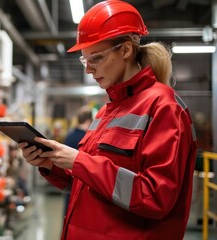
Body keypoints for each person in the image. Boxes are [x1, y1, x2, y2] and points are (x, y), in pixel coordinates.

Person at [18, 1, 197, 239]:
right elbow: (94, 185)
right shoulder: (106, 112)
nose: (88, 70)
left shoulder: (164, 106)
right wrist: (51, 163)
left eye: (96, 58)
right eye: (85, 60)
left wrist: (79, 161)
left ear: (125, 50)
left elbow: (155, 196)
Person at [62, 106, 93, 214]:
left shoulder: (69, 136)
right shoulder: (88, 137)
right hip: (82, 184)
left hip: (68, 182)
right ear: (89, 121)